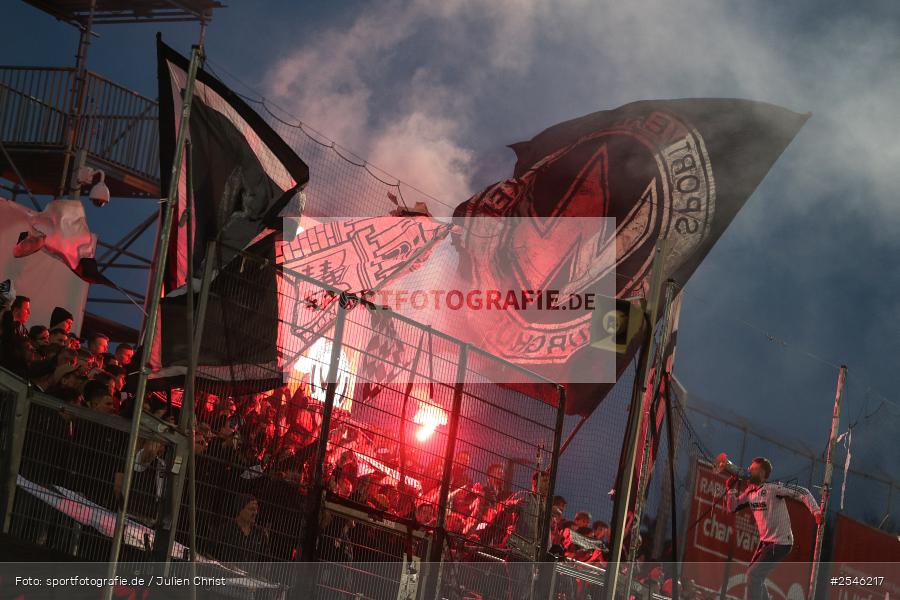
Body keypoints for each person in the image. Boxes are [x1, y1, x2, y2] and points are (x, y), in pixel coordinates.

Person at [726, 457, 822, 600]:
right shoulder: (750, 492)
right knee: (755, 576)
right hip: (766, 542)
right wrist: (730, 489)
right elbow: (732, 508)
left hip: (781, 542)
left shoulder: (772, 488)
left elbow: (803, 492)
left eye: (753, 469)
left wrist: (816, 511)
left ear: (762, 474)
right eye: (749, 468)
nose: (748, 471)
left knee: (753, 574)